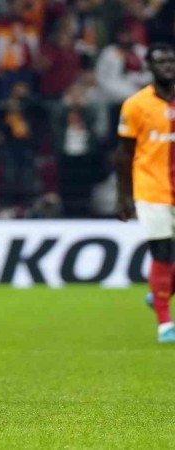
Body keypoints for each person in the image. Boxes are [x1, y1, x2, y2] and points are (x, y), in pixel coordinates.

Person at [115, 42, 175, 343]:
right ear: (149, 67)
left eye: (171, 61)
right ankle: (165, 323)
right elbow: (124, 154)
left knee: (165, 267)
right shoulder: (136, 105)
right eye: (161, 62)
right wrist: (123, 197)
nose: (168, 66)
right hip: (151, 189)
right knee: (162, 253)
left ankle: (160, 292)